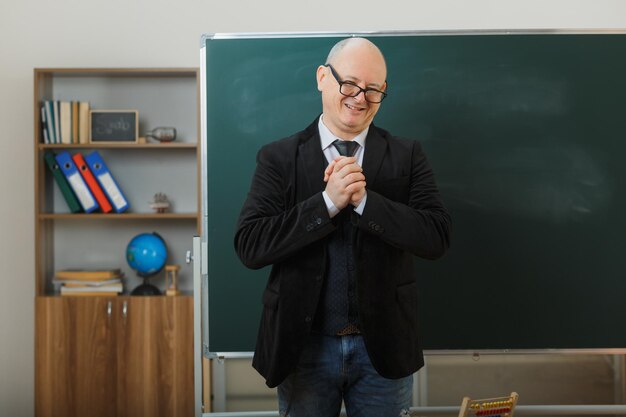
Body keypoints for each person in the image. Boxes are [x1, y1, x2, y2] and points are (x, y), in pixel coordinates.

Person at [234, 37, 451, 417]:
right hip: (303, 351)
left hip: (383, 352)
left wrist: (365, 201)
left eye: (372, 89)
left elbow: (436, 236)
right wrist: (327, 204)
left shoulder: (407, 155)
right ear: (322, 78)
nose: (359, 97)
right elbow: (251, 245)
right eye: (349, 83)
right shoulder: (278, 158)